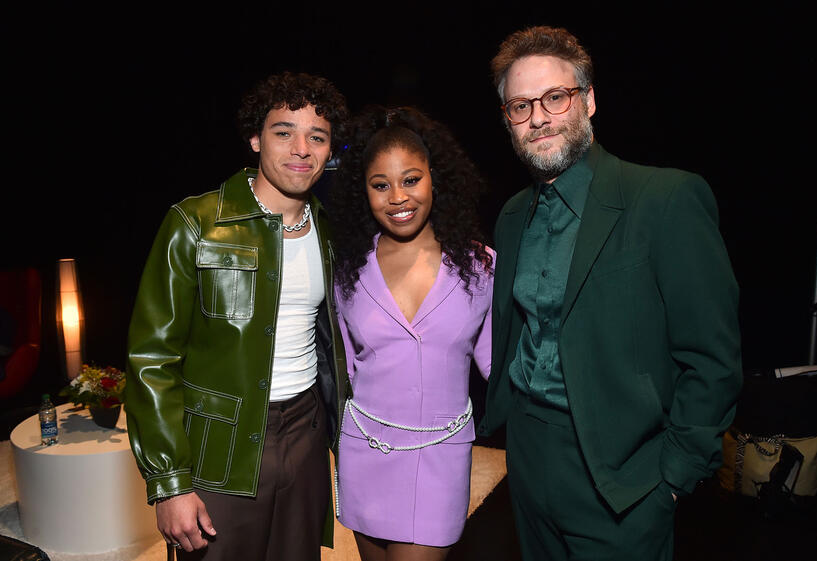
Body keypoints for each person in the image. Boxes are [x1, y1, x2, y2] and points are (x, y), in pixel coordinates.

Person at [478, 26, 742, 560]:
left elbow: (713, 360)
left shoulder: (663, 199)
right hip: (527, 457)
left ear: (589, 100)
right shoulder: (510, 217)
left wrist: (672, 478)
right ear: (507, 118)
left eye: (555, 97)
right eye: (520, 106)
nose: (539, 118)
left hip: (626, 475)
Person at [125, 72, 351, 561]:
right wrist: (169, 483)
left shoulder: (328, 231)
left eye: (317, 136)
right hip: (218, 449)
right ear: (254, 138)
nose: (301, 148)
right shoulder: (195, 223)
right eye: (283, 131)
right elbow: (150, 359)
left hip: (306, 437)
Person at [331, 106, 494, 561]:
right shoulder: (348, 271)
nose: (397, 197)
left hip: (439, 458)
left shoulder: (480, 267)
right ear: (363, 192)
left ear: (435, 179)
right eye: (380, 185)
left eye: (411, 179)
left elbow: (500, 366)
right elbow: (345, 370)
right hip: (365, 452)